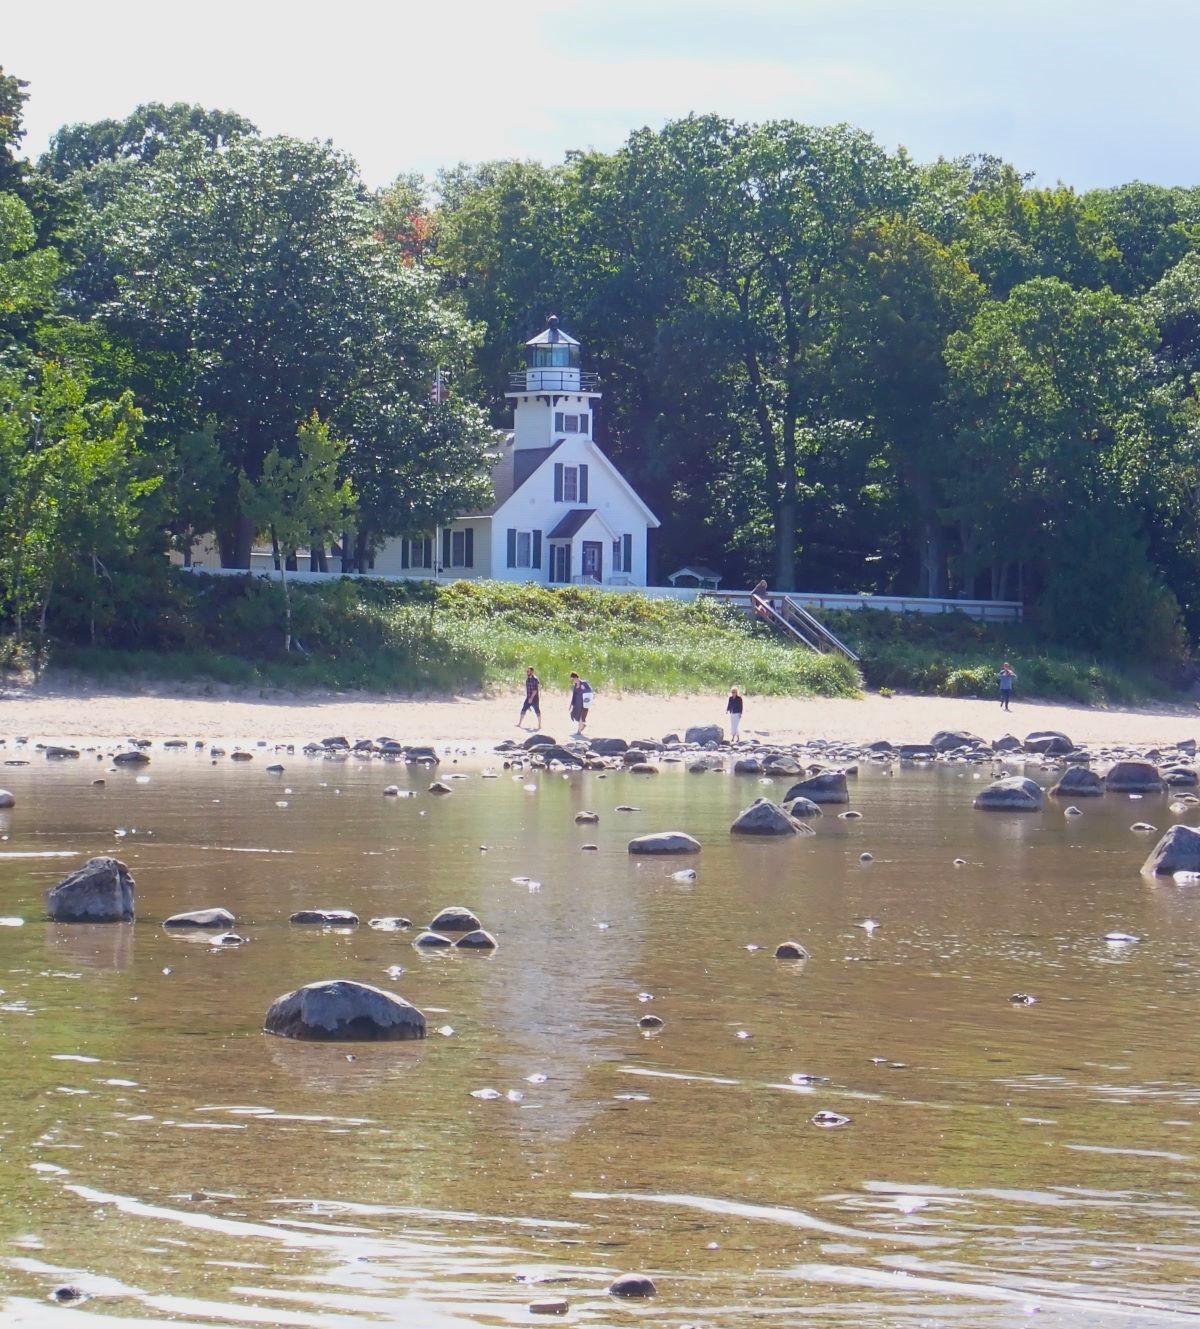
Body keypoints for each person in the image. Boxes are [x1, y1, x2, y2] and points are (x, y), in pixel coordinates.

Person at [569, 671, 592, 735]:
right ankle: (582, 726)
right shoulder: (575, 686)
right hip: (577, 703)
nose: (572, 681)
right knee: (577, 716)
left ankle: (579, 731)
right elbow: (574, 696)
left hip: (584, 703)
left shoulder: (584, 683)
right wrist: (571, 704)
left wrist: (584, 689)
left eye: (573, 679)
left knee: (582, 716)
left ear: (576, 677)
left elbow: (590, 690)